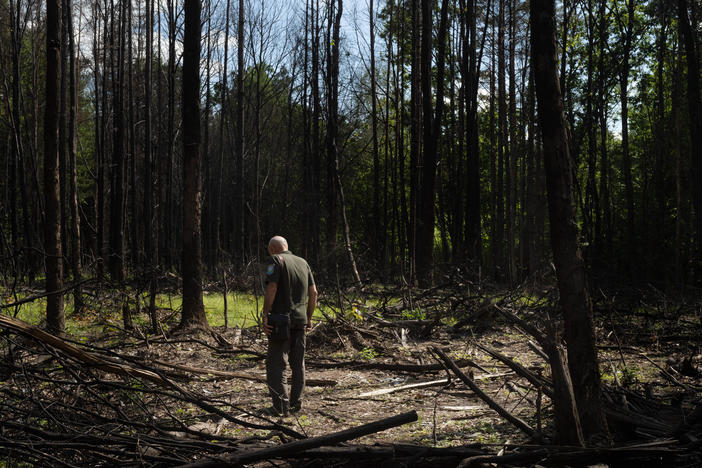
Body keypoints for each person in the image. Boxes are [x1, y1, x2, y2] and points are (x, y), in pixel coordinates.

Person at [261, 235, 317, 416]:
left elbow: (272, 288)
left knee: (276, 364)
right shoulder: (303, 263)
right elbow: (314, 293)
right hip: (300, 320)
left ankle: (280, 407)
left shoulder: (275, 260)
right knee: (298, 363)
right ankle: (295, 404)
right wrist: (309, 317)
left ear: (272, 249)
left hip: (280, 321)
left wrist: (264, 314)